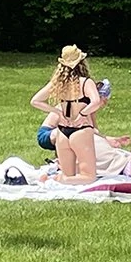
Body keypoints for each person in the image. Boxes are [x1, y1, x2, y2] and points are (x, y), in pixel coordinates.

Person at [31, 45, 104, 184]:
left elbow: (35, 101)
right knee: (89, 177)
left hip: (62, 132)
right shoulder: (85, 82)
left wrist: (57, 112)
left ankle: (52, 179)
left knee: (68, 176)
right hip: (81, 130)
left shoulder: (58, 83)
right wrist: (83, 113)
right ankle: (54, 179)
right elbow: (96, 102)